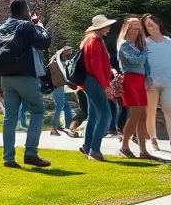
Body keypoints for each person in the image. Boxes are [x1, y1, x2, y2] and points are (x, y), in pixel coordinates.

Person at [0, 0, 53, 169]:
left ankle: (8, 157)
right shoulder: (26, 26)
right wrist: (39, 25)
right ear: (25, 10)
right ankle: (31, 153)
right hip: (25, 75)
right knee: (37, 111)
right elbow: (44, 43)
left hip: (5, 78)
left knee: (9, 117)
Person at [117, 18, 157, 160]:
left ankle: (143, 150)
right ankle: (124, 146)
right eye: (133, 27)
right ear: (126, 29)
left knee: (143, 115)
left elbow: (145, 64)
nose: (136, 30)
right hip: (129, 78)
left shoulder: (139, 44)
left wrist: (148, 79)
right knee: (135, 113)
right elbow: (137, 60)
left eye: (138, 27)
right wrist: (145, 52)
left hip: (139, 79)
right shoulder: (124, 44)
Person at [142, 14, 171, 154]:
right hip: (152, 83)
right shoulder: (145, 42)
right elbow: (143, 64)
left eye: (151, 22)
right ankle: (153, 140)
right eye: (146, 24)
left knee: (169, 109)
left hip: (168, 81)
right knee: (150, 112)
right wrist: (146, 80)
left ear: (158, 22)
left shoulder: (168, 42)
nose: (149, 25)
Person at [79, 15, 116, 161]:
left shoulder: (90, 39)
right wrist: (105, 85)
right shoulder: (94, 40)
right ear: (101, 27)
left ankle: (88, 147)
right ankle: (95, 149)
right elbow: (96, 66)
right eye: (107, 26)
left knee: (94, 115)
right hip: (94, 80)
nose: (109, 28)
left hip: (90, 80)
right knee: (106, 114)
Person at [49, 47, 77, 137]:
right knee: (59, 107)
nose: (70, 52)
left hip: (60, 87)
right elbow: (56, 78)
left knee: (66, 107)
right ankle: (53, 128)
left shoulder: (61, 62)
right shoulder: (55, 63)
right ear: (63, 52)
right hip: (57, 87)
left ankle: (67, 126)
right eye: (69, 51)